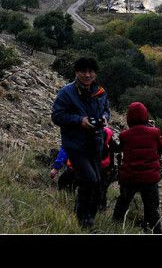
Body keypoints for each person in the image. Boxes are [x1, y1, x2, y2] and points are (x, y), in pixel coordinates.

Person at [51, 57, 110, 229]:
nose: (87, 75)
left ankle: (89, 218)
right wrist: (79, 121)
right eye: (83, 71)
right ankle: (82, 218)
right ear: (76, 72)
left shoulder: (100, 91)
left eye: (91, 71)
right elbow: (57, 116)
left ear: (95, 73)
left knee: (97, 182)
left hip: (95, 144)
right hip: (75, 146)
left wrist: (105, 119)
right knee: (89, 179)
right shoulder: (67, 92)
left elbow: (106, 110)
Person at [113, 102, 162, 234]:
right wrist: (154, 130)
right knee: (152, 209)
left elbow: (120, 149)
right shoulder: (154, 132)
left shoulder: (124, 135)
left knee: (123, 202)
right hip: (149, 179)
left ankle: (115, 226)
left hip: (129, 177)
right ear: (145, 116)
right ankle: (155, 231)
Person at [50, 127, 118, 204]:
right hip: (100, 170)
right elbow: (113, 150)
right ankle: (99, 207)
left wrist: (56, 168)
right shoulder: (107, 132)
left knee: (63, 183)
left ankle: (69, 203)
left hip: (78, 169)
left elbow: (66, 149)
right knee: (98, 194)